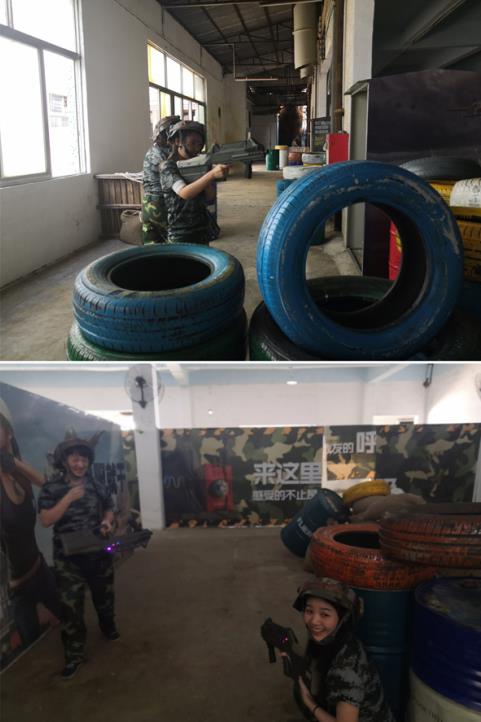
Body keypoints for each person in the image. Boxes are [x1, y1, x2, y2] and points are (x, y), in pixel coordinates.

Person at [38, 434, 118, 680]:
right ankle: (74, 655)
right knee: (71, 607)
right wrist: (69, 498)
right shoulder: (51, 488)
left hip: (97, 552)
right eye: (74, 459)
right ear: (65, 461)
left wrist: (106, 522)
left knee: (104, 597)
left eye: (84, 459)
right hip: (67, 558)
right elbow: (46, 520)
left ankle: (108, 625)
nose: (80, 464)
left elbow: (109, 507)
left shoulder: (96, 484)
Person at [0, 399, 61, 647]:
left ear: (9, 433)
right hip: (18, 588)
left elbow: (46, 484)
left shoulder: (17, 470)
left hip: (40, 569)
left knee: (71, 619)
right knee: (31, 648)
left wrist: (12, 462)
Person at [290, 578, 395, 722]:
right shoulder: (341, 640)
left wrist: (310, 703)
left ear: (342, 619)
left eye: (325, 614)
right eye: (309, 611)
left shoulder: (344, 672)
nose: (314, 621)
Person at [160, 119, 229, 244]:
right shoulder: (168, 166)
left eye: (200, 144)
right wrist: (211, 175)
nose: (197, 148)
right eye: (193, 143)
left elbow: (210, 196)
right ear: (178, 141)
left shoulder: (199, 164)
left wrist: (206, 173)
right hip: (180, 231)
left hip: (201, 228)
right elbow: (184, 192)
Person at [142, 114, 180, 244]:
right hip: (158, 202)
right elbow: (166, 169)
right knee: (172, 242)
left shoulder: (159, 150)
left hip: (152, 201)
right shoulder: (157, 153)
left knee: (153, 245)